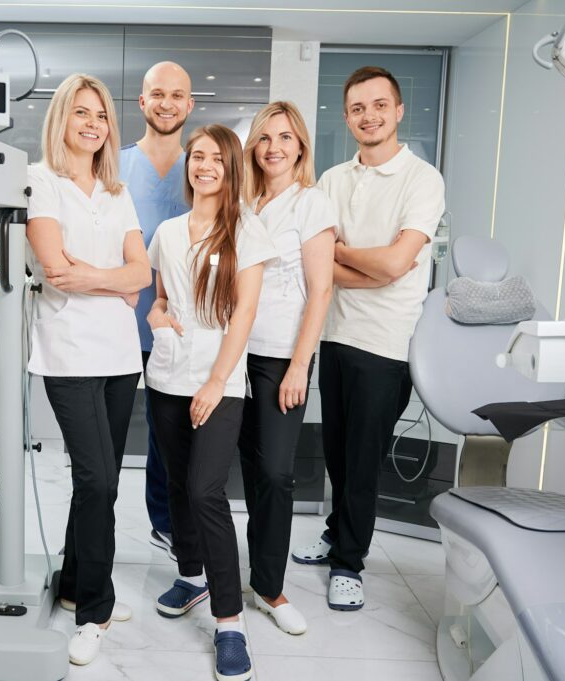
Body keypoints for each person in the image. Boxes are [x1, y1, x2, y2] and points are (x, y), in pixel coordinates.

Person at [290, 66, 445, 612]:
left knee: (361, 462)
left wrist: (341, 256)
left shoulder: (422, 179)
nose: (369, 116)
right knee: (337, 452)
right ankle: (337, 532)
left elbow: (399, 264)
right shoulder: (332, 180)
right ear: (347, 116)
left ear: (398, 111)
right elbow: (316, 264)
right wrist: (369, 266)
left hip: (386, 344)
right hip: (334, 335)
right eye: (358, 108)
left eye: (379, 105)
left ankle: (349, 564)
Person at [25, 73, 151, 666]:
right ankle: (94, 612)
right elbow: (56, 269)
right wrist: (115, 282)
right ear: (62, 118)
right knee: (97, 480)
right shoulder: (40, 182)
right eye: (81, 112)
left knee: (100, 481)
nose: (93, 124)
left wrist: (95, 277)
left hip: (121, 357)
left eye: (101, 115)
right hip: (69, 352)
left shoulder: (116, 191)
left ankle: (76, 584)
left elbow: (142, 274)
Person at [146, 124, 276, 681]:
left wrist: (217, 381)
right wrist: (155, 315)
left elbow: (244, 312)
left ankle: (229, 621)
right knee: (178, 484)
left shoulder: (247, 230)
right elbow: (160, 299)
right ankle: (191, 575)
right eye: (197, 156)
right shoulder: (168, 232)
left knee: (205, 491)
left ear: (231, 168)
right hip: (166, 376)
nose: (204, 166)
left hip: (218, 381)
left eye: (216, 159)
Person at [238, 101, 337, 634]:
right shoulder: (243, 203)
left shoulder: (311, 204)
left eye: (284, 137)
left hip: (281, 357)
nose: (273, 147)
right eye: (264, 137)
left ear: (300, 147)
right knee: (249, 469)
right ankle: (251, 574)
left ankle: (271, 588)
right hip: (234, 353)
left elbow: (321, 290)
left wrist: (300, 365)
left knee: (276, 473)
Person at [119, 61, 194, 561]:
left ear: (190, 104)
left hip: (180, 326)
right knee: (106, 438)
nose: (167, 103)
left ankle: (166, 524)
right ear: (143, 102)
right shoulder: (114, 163)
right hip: (118, 323)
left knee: (169, 434)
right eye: (158, 94)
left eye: (177, 95)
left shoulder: (203, 163)